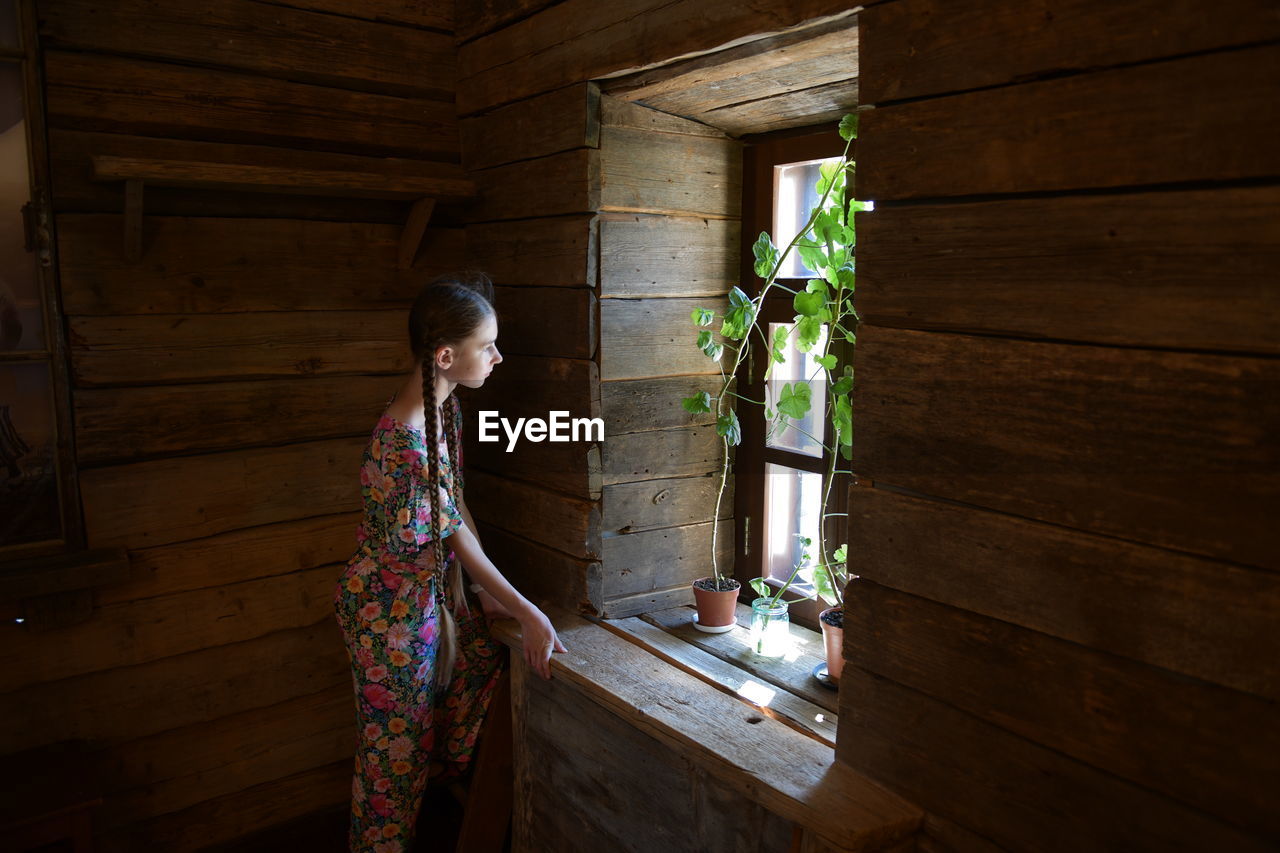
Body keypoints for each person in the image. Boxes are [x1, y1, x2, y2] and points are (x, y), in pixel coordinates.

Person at [333, 272, 565, 853]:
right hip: (389, 618)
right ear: (445, 355)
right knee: (391, 776)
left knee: (484, 655)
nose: (498, 356)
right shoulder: (404, 444)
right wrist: (526, 609)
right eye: (487, 345)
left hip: (426, 601)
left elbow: (455, 506)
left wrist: (481, 596)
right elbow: (454, 534)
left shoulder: (445, 406)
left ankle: (436, 764)